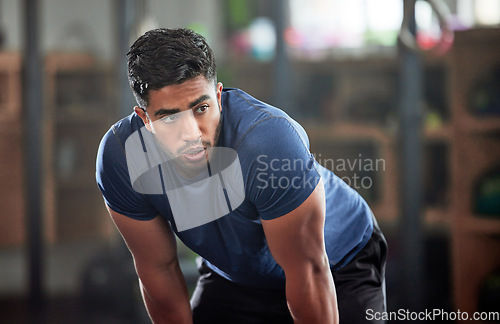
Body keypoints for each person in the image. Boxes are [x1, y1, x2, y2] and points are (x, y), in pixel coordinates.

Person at [96, 28, 387, 324]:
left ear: (219, 96)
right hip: (236, 275)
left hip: (336, 262)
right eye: (170, 118)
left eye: (201, 108)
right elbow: (159, 270)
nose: (192, 134)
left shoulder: (267, 142)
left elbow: (308, 272)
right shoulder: (121, 158)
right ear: (145, 119)